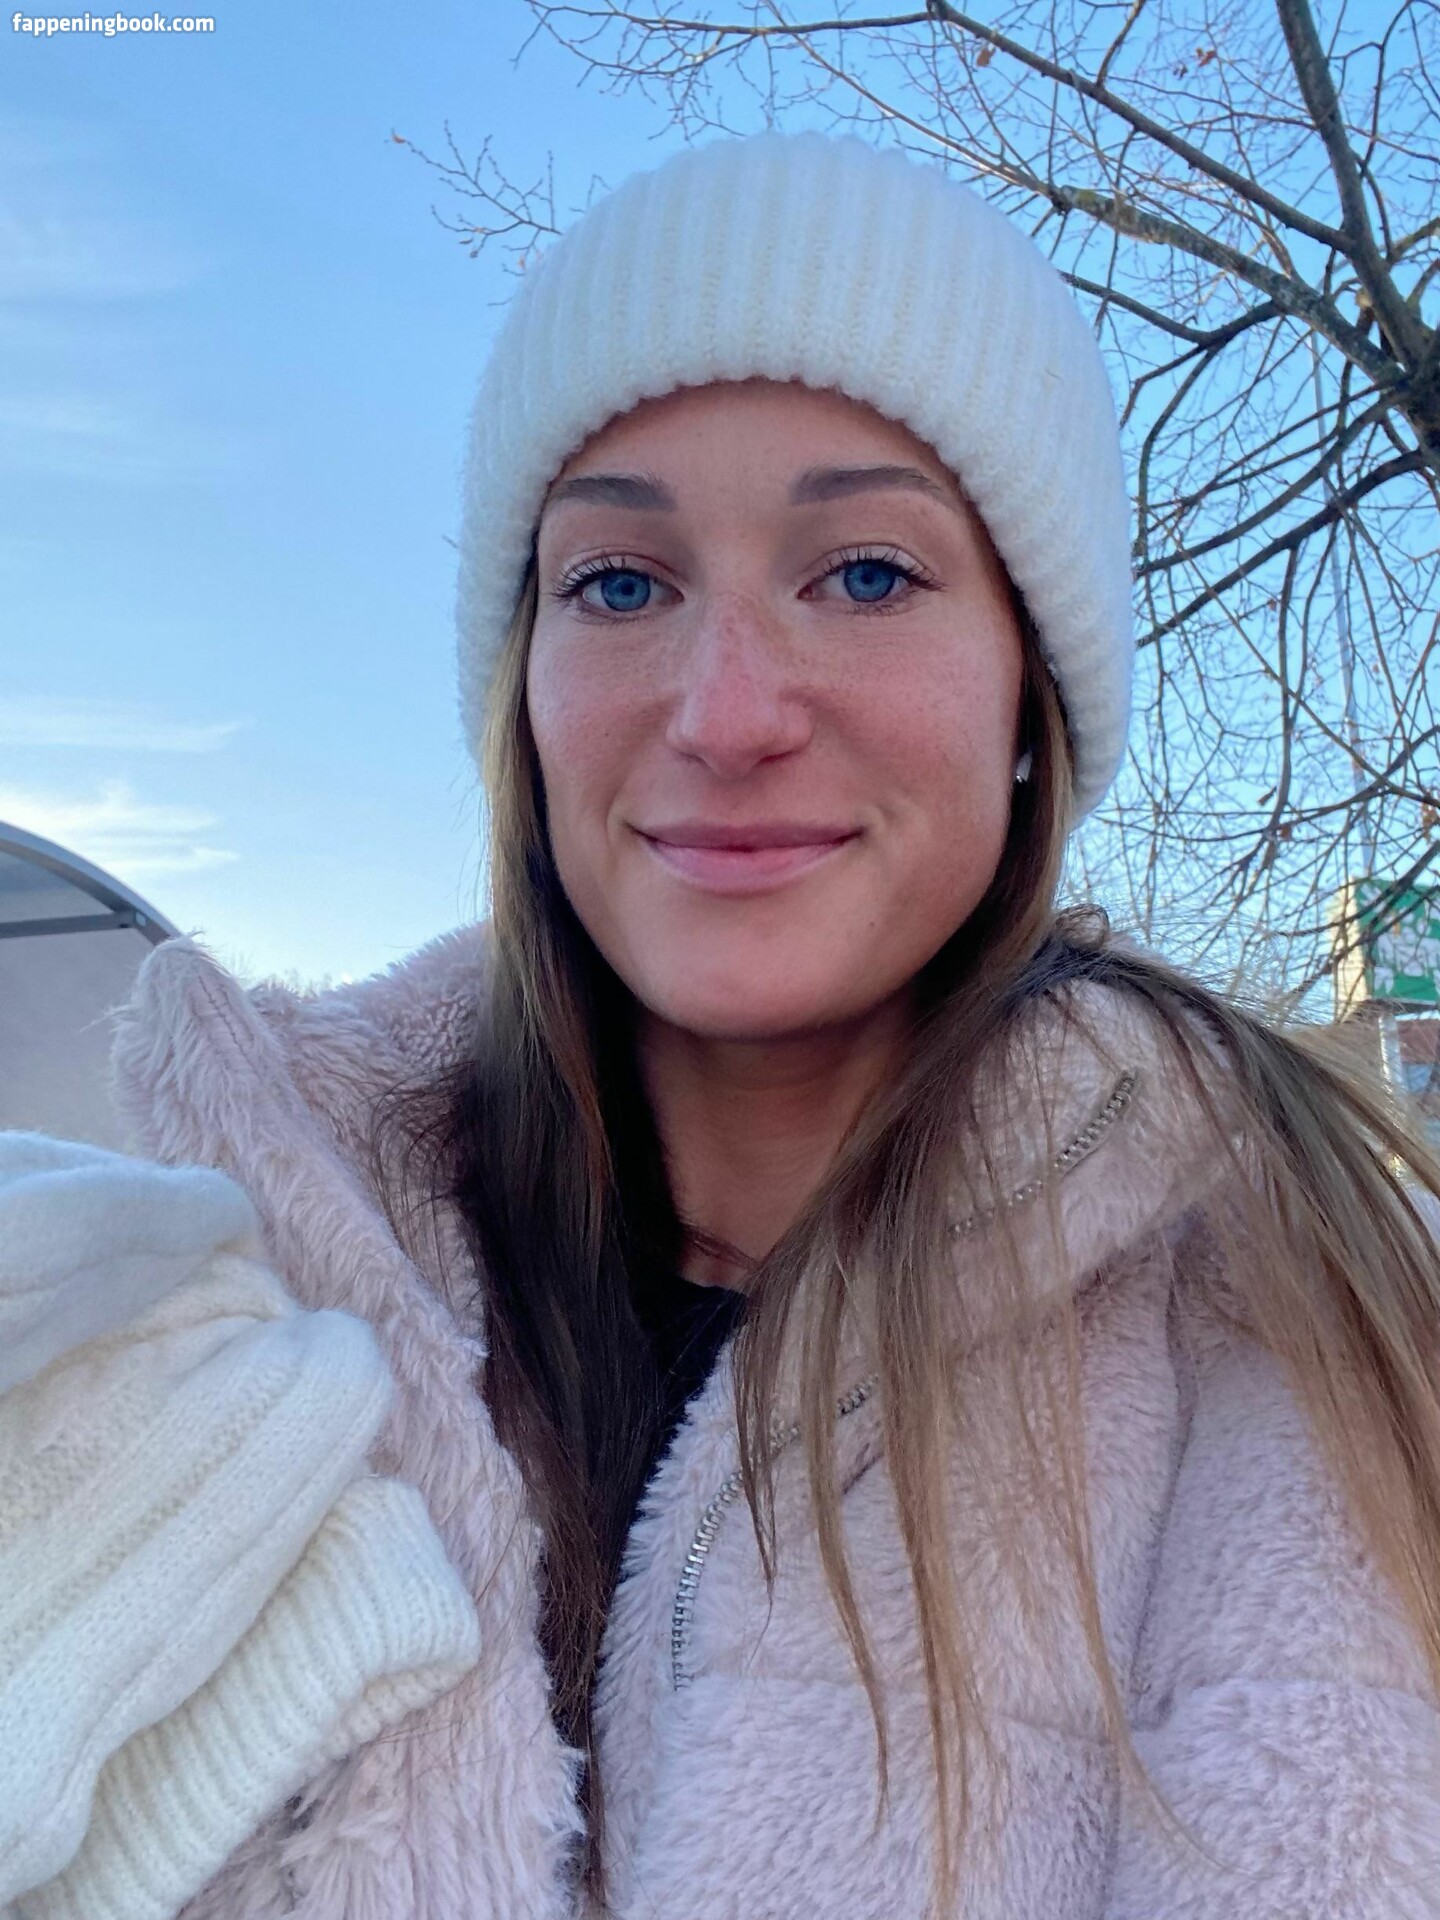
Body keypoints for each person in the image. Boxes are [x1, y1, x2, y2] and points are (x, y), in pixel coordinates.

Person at [3, 130, 1440, 1920]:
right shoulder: (230, 1281)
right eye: (621, 584)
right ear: (523, 693)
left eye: (867, 574)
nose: (728, 710)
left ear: (1031, 689)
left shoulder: (1313, 1312)